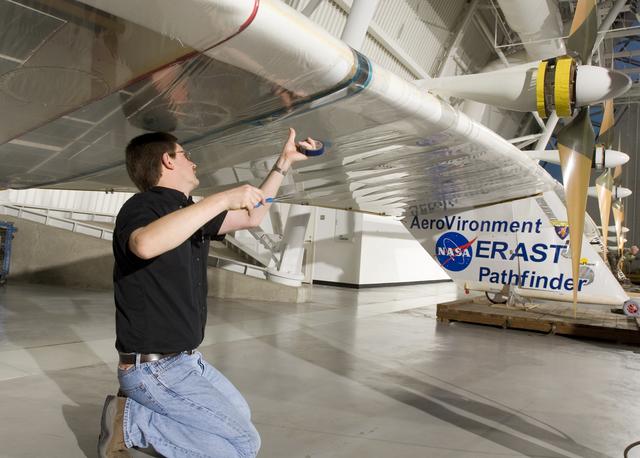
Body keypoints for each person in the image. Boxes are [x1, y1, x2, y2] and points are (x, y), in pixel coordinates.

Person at [98, 128, 315, 457]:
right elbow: (143, 244)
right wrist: (221, 198)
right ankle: (132, 421)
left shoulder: (188, 213)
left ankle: (138, 418)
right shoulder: (143, 205)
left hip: (185, 361)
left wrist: (283, 163)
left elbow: (251, 216)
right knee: (244, 444)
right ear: (168, 160)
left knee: (239, 423)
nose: (195, 163)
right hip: (152, 368)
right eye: (186, 155)